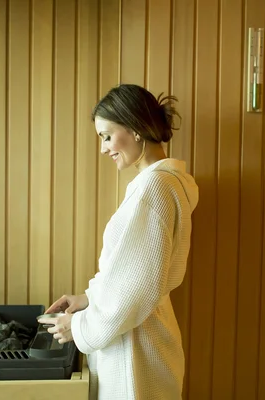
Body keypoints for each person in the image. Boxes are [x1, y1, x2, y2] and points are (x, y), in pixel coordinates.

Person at [39, 84, 199, 400]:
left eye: (107, 136)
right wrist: (87, 298)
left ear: (136, 129)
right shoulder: (163, 185)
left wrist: (79, 327)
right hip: (144, 338)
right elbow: (130, 275)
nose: (103, 148)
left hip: (135, 354)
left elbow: (135, 290)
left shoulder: (153, 189)